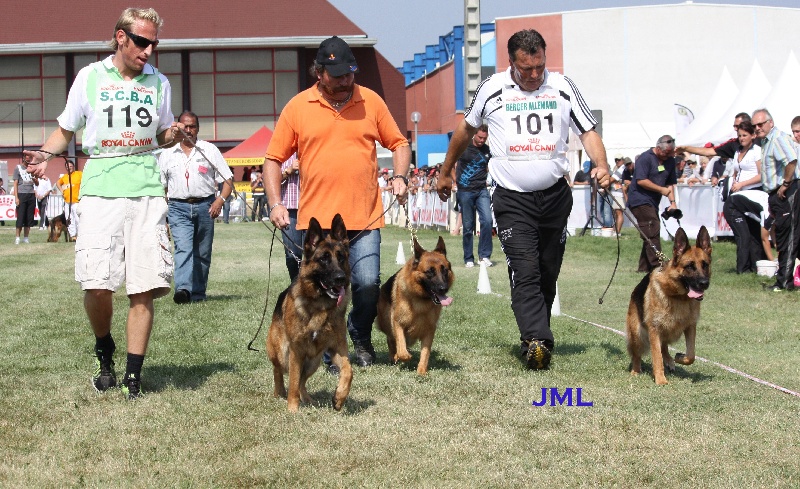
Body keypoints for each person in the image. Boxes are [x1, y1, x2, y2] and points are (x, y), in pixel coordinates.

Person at [24, 7, 184, 400]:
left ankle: (132, 374)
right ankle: (104, 348)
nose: (149, 50)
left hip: (147, 189)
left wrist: (173, 133)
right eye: (142, 41)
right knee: (97, 285)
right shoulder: (91, 77)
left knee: (143, 287)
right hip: (99, 190)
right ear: (121, 37)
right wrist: (45, 154)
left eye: (154, 43)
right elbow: (66, 129)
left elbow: (161, 135)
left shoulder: (159, 83)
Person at [436, 28, 611, 371]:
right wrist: (445, 170)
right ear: (511, 62)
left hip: (555, 197)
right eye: (526, 69)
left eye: (539, 67)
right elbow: (465, 130)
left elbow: (588, 131)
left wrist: (602, 165)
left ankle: (534, 337)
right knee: (525, 268)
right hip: (511, 198)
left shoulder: (562, 86)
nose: (534, 75)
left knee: (547, 271)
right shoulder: (492, 88)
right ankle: (538, 341)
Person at [264, 36, 411, 368]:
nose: (346, 80)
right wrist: (275, 203)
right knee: (320, 288)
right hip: (317, 225)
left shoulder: (370, 101)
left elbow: (400, 143)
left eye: (350, 73)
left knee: (367, 283)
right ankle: (329, 349)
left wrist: (400, 176)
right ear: (319, 72)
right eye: (338, 74)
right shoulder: (298, 107)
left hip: (365, 217)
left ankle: (358, 332)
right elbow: (273, 158)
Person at [159, 110, 233, 304]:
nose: (188, 130)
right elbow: (161, 187)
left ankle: (198, 293)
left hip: (206, 206)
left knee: (203, 252)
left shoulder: (209, 150)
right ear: (178, 128)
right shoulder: (167, 153)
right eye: (185, 126)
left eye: (192, 126)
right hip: (178, 207)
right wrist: (163, 215)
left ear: (198, 129)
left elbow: (228, 180)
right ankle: (183, 290)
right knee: (183, 248)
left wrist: (219, 201)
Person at [752, 108, 800, 291]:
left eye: (761, 124)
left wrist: (786, 184)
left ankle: (784, 283)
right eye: (755, 125)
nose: (757, 128)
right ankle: (785, 278)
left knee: (788, 237)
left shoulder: (778, 138)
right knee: (784, 236)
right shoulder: (766, 141)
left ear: (770, 122)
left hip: (787, 192)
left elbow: (791, 161)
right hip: (776, 194)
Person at [626, 135, 679, 273]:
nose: (668, 157)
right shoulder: (645, 158)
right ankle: (658, 266)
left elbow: (669, 184)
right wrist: (662, 190)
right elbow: (641, 181)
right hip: (639, 199)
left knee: (649, 230)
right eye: (666, 153)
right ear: (658, 148)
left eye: (670, 154)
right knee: (652, 226)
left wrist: (673, 203)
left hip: (653, 202)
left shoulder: (670, 161)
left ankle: (643, 269)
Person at [722, 120, 765, 273]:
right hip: (738, 196)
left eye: (744, 135)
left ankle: (756, 265)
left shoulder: (757, 151)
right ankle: (744, 268)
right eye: (739, 135)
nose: (741, 138)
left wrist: (742, 184)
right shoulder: (737, 151)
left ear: (753, 135)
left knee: (753, 234)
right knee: (743, 235)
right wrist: (735, 182)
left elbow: (762, 175)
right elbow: (735, 171)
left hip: (752, 195)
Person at [454, 123, 493, 268]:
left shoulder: (487, 151)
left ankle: (484, 256)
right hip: (465, 191)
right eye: (480, 137)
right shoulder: (464, 148)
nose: (482, 140)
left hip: (482, 190)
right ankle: (468, 258)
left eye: (485, 138)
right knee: (468, 226)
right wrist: (454, 181)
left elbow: (491, 166)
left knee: (487, 221)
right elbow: (452, 163)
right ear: (474, 135)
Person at [678, 112, 753, 160]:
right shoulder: (733, 143)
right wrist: (686, 148)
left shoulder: (759, 142)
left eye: (738, 126)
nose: (735, 129)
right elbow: (708, 151)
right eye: (734, 126)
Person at [279, 153, 302, 282]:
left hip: (313, 208)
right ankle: (297, 286)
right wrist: (289, 170)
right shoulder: (283, 153)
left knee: (317, 253)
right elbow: (268, 181)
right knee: (292, 255)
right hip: (290, 209)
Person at [56, 160, 82, 240]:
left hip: (76, 201)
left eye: (70, 166)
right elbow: (58, 183)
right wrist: (62, 191)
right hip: (67, 202)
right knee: (69, 219)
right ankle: (72, 236)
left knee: (78, 219)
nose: (69, 168)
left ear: (73, 167)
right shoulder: (65, 177)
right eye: (67, 167)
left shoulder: (79, 174)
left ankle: (80, 235)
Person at [12, 160, 36, 244]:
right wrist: (16, 197)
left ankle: (26, 237)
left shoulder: (33, 169)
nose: (29, 162)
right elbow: (15, 183)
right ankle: (17, 237)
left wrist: (34, 178)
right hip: (21, 194)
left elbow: (37, 183)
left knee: (29, 217)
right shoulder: (18, 168)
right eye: (27, 160)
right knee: (20, 217)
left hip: (31, 194)